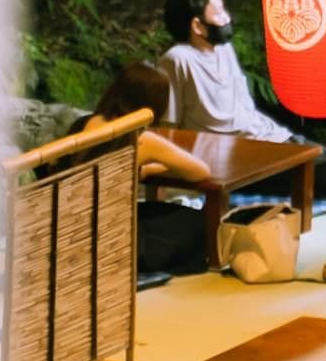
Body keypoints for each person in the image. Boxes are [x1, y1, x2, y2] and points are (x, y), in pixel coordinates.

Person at [158, 0, 326, 213]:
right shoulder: (177, 60)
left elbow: (244, 107)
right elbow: (169, 127)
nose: (227, 17)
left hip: (270, 139)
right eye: (218, 12)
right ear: (197, 26)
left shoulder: (223, 49)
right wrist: (172, 181)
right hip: (238, 155)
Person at [53, 63, 214, 280]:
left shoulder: (82, 124)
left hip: (63, 230)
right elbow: (200, 172)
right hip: (106, 238)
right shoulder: (139, 139)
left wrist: (145, 169)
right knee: (201, 223)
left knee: (156, 211)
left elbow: (95, 174)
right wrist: (160, 163)